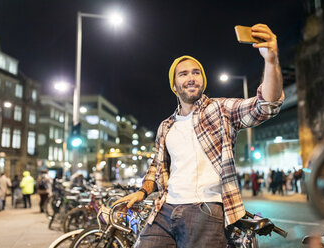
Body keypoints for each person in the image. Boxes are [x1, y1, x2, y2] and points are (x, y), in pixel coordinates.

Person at [113, 24, 284, 247]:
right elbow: (156, 166)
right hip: (164, 210)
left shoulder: (220, 109)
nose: (191, 77)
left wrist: (271, 61)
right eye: (183, 74)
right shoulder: (166, 126)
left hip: (205, 210)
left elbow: (266, 105)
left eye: (196, 72)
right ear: (174, 85)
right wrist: (142, 192)